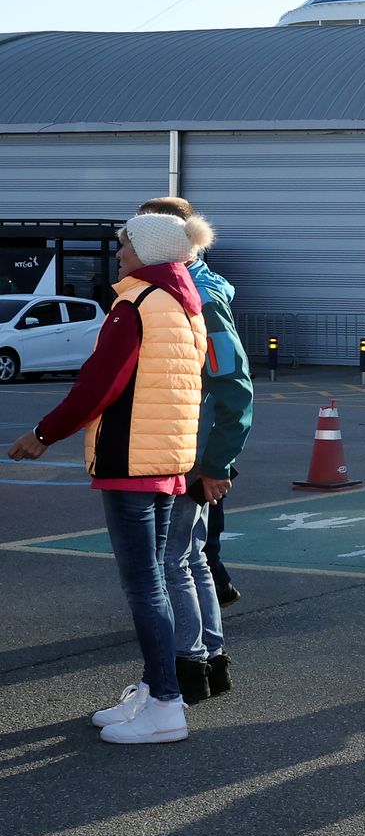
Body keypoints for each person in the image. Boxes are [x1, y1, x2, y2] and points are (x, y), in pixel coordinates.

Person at [9, 213, 208, 745]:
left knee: (144, 586)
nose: (118, 254)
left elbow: (98, 384)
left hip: (130, 461)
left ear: (147, 250)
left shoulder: (136, 305)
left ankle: (166, 703)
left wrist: (43, 434)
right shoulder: (187, 305)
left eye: (124, 245)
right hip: (168, 460)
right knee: (159, 581)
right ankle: (155, 687)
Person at [134, 198, 254, 704]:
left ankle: (187, 669)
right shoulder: (193, 287)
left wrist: (215, 462)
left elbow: (233, 385)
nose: (124, 250)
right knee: (192, 559)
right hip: (191, 447)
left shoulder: (198, 297)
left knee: (172, 562)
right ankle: (208, 661)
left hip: (188, 450)